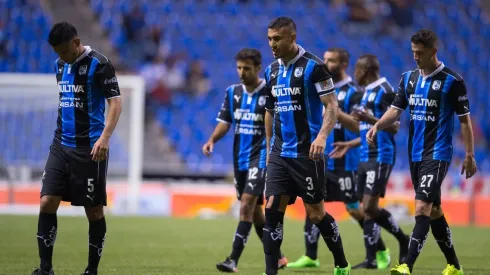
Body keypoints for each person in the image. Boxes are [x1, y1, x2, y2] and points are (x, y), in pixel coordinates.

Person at [370, 29, 476, 275]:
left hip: (438, 153)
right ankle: (455, 266)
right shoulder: (408, 79)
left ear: (433, 52)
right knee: (435, 211)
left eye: (420, 53)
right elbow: (396, 110)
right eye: (413, 52)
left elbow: (464, 120)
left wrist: (469, 154)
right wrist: (377, 124)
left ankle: (407, 264)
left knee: (422, 208)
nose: (415, 57)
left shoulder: (453, 81)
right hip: (415, 153)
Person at [262, 17, 351, 275]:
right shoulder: (271, 71)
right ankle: (271, 271)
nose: (272, 44)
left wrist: (322, 136)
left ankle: (341, 262)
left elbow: (332, 106)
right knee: (272, 209)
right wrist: (270, 147)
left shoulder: (315, 67)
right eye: (269, 39)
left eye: (277, 39)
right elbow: (270, 111)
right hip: (280, 153)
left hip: (307, 154)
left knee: (315, 214)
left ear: (291, 37)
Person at [287, 48, 390, 270]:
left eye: (330, 61)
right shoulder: (318, 87)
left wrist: (335, 112)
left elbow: (358, 127)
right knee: (312, 203)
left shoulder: (354, 93)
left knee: (354, 208)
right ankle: (311, 256)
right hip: (321, 157)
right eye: (323, 59)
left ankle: (381, 250)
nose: (325, 64)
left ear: (343, 64)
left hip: (347, 161)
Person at [33, 22, 122, 275]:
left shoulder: (99, 64)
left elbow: (115, 103)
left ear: (76, 42)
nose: (62, 57)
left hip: (91, 148)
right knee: (47, 202)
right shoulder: (59, 65)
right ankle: (45, 269)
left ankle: (91, 270)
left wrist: (105, 138)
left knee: (93, 211)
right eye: (57, 53)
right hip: (61, 144)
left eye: (64, 51)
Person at [202, 48, 287, 273]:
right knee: (256, 213)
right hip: (239, 160)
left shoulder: (269, 93)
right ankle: (278, 256)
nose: (241, 73)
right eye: (239, 68)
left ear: (258, 68)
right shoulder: (233, 93)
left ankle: (233, 260)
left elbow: (278, 126)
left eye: (246, 69)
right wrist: (212, 139)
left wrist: (273, 153)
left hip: (260, 158)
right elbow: (225, 122)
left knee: (247, 204)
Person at [336, 54, 410, 269]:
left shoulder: (386, 90)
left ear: (366, 70)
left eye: (357, 71)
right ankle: (371, 258)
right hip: (364, 156)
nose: (354, 74)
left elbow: (394, 126)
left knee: (369, 206)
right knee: (366, 208)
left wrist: (370, 120)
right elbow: (367, 131)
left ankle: (403, 239)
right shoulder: (366, 92)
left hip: (381, 155)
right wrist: (349, 144)